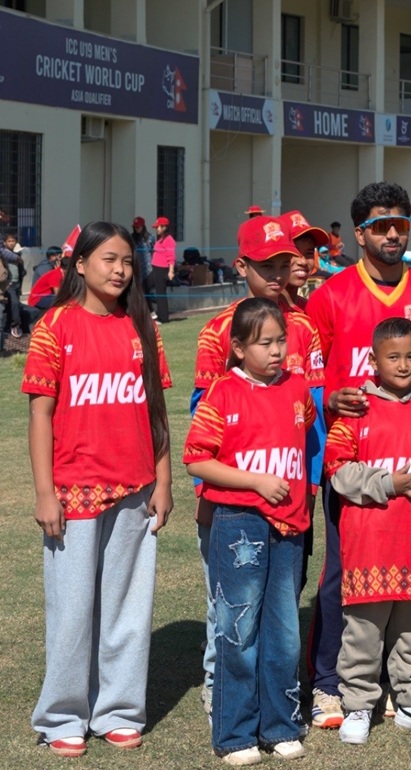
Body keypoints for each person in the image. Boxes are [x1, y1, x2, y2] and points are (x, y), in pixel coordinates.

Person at [304, 181, 411, 730]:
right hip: (357, 454)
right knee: (342, 574)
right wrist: (330, 397)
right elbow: (310, 369)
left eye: (400, 224)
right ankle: (330, 683)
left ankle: (405, 687)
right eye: (380, 225)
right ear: (359, 232)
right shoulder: (331, 295)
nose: (392, 233)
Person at [23, 221, 172, 758]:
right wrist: (45, 493)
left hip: (135, 487)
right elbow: (40, 416)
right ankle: (63, 715)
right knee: (72, 610)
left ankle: (119, 710)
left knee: (127, 609)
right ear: (80, 264)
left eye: (127, 260)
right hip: (74, 490)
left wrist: (164, 479)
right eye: (109, 259)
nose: (120, 270)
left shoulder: (143, 327)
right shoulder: (54, 326)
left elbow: (156, 410)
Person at [192, 216, 326, 721]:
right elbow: (206, 419)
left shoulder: (305, 326)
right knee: (231, 600)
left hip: (291, 491)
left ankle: (278, 695)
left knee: (283, 597)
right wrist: (207, 495)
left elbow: (312, 415)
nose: (277, 273)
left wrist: (309, 484)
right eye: (266, 265)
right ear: (242, 265)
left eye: (284, 263)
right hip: (235, 500)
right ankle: (221, 687)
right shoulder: (217, 330)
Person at [185, 297, 317, 764]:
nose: (277, 350)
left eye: (281, 340)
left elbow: (306, 435)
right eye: (265, 343)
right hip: (239, 523)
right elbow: (196, 460)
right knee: (238, 629)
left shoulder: (298, 388)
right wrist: (256, 482)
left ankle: (280, 726)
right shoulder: (221, 393)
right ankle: (235, 734)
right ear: (238, 348)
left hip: (290, 527)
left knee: (283, 632)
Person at [324, 317, 411, 744]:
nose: (403, 365)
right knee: (363, 632)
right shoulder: (357, 411)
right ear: (373, 359)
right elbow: (338, 471)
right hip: (370, 541)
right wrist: (390, 483)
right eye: (393, 357)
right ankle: (358, 703)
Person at [281, 210, 330, 312]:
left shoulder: (311, 310)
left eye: (309, 253)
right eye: (294, 252)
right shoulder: (258, 314)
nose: (303, 261)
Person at [27, 251, 69, 319]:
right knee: (63, 301)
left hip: (46, 296)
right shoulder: (56, 274)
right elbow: (58, 294)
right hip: (37, 298)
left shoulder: (61, 273)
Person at [151, 217, 176, 324]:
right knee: (145, 286)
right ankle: (153, 312)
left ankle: (163, 318)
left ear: (164, 227)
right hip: (155, 268)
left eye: (159, 227)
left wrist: (171, 271)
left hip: (162, 269)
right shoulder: (160, 239)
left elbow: (171, 257)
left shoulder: (169, 240)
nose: (157, 229)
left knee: (160, 293)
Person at [132, 217, 156, 316]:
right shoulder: (132, 238)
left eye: (138, 227)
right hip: (137, 268)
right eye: (135, 227)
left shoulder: (150, 237)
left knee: (146, 290)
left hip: (149, 269)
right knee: (138, 291)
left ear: (143, 226)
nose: (137, 229)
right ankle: (143, 312)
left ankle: (151, 311)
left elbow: (154, 251)